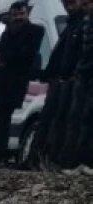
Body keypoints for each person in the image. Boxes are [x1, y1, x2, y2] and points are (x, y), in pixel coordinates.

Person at [0, 1, 45, 168]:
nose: (18, 18)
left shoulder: (36, 31)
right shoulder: (7, 32)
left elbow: (25, 54)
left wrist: (2, 58)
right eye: (15, 15)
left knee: (2, 120)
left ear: (27, 13)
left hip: (13, 83)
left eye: (21, 14)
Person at [30, 0, 85, 170]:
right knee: (49, 121)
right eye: (65, 3)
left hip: (71, 83)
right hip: (58, 81)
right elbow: (59, 56)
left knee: (63, 122)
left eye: (71, 2)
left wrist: (75, 75)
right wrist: (46, 75)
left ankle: (57, 160)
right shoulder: (70, 26)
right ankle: (38, 159)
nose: (68, 6)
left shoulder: (83, 26)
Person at [61, 0, 93, 173]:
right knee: (78, 117)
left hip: (87, 73)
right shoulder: (86, 22)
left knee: (88, 117)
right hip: (84, 75)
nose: (87, 7)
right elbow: (83, 50)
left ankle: (88, 162)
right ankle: (78, 162)